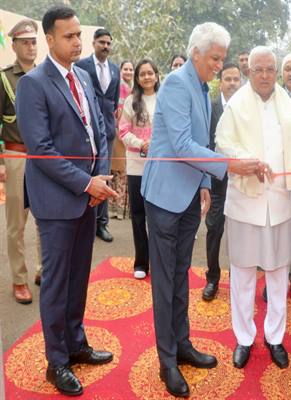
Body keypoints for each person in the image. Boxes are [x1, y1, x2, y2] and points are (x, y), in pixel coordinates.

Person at [141, 22, 259, 398]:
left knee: (180, 275)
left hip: (190, 193)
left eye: (222, 59)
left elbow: (200, 140)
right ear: (196, 53)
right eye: (215, 58)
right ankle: (167, 362)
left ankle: (182, 345)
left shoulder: (202, 87)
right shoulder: (177, 83)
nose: (219, 65)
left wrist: (206, 182)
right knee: (165, 282)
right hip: (164, 197)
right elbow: (180, 144)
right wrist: (230, 165)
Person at [16, 6, 118, 396]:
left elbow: (100, 131)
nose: (78, 42)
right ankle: (56, 361)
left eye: (79, 35)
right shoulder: (33, 84)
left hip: (88, 197)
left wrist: (100, 178)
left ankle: (76, 345)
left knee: (78, 279)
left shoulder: (83, 77)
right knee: (57, 284)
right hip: (57, 202)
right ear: (50, 40)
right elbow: (41, 150)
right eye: (69, 36)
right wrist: (86, 184)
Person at [216, 46, 291, 370]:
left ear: (276, 72)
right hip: (244, 202)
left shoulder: (287, 105)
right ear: (249, 71)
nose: (264, 76)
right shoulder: (236, 105)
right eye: (258, 69)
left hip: (278, 201)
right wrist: (246, 162)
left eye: (269, 70)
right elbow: (222, 142)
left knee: (278, 274)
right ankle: (244, 338)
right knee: (243, 274)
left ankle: (275, 337)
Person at [0, 18, 43, 303]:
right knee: (16, 223)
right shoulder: (4, 78)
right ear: (14, 45)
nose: (30, 46)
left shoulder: (45, 75)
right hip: (15, 155)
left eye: (33, 42)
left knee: (45, 217)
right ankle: (19, 279)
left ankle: (44, 269)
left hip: (43, 157)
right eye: (24, 42)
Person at [262, 52, 291, 303]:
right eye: (287, 69)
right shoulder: (272, 97)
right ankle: (272, 279)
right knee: (273, 229)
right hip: (273, 177)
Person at [76, 28, 120, 243]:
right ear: (93, 43)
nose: (105, 46)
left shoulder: (115, 69)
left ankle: (101, 223)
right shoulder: (80, 66)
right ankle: (83, 220)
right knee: (85, 173)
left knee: (104, 174)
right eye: (102, 42)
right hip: (85, 129)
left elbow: (113, 100)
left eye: (108, 43)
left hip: (107, 132)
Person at [202, 62, 241, 301]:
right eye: (228, 79)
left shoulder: (247, 109)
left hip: (242, 183)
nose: (232, 83)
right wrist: (205, 180)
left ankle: (239, 279)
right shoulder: (211, 108)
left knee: (240, 235)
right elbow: (205, 146)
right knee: (214, 231)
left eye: (236, 79)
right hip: (217, 184)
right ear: (220, 82)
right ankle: (212, 278)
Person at [119, 59, 160, 279]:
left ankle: (159, 260)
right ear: (137, 78)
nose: (146, 77)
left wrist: (156, 144)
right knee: (138, 215)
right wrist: (141, 143)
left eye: (150, 73)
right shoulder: (130, 101)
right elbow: (123, 131)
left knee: (158, 216)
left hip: (160, 167)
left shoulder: (164, 99)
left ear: (156, 75)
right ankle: (141, 263)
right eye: (142, 74)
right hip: (136, 166)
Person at [109, 60, 134, 220]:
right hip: (118, 134)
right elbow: (114, 110)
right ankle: (114, 208)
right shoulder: (118, 87)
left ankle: (121, 209)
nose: (128, 72)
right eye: (126, 69)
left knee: (125, 173)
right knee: (117, 172)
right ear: (120, 70)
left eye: (131, 69)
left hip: (130, 135)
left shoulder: (133, 89)